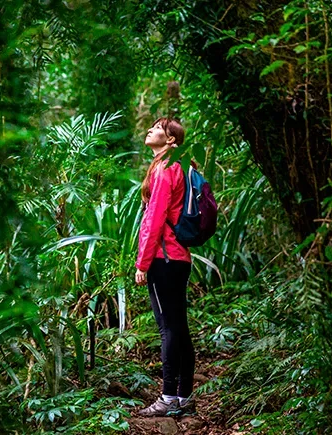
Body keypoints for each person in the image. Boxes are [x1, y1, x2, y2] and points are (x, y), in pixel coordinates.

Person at [134, 118, 196, 417]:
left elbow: (154, 218)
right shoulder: (178, 166)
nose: (150, 129)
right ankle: (184, 397)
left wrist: (142, 263)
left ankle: (168, 396)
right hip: (179, 257)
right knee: (179, 327)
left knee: (168, 328)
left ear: (171, 140)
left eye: (158, 128)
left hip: (163, 257)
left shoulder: (164, 168)